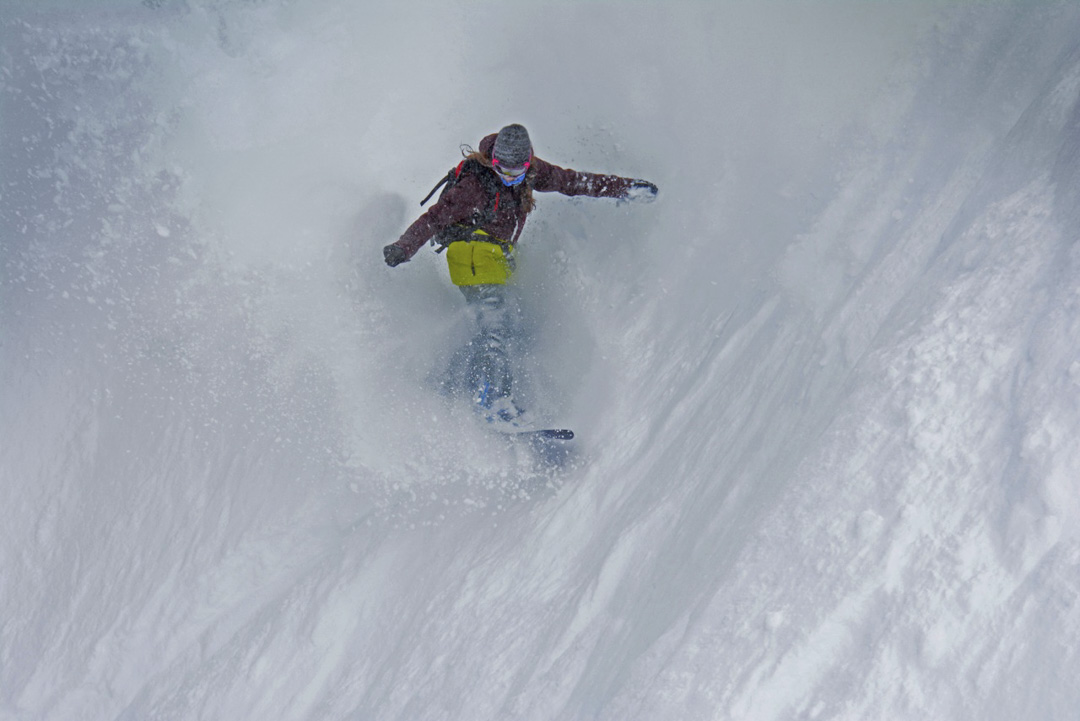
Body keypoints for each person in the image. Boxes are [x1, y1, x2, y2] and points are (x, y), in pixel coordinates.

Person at [383, 123, 658, 425]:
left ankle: (460, 384)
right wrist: (403, 247)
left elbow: (572, 182)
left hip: (496, 259)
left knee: (513, 324)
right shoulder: (474, 185)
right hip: (471, 254)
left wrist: (624, 188)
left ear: (528, 163)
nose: (511, 179)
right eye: (503, 171)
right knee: (498, 322)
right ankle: (493, 402)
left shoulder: (534, 172)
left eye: (518, 172)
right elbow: (433, 219)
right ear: (493, 162)